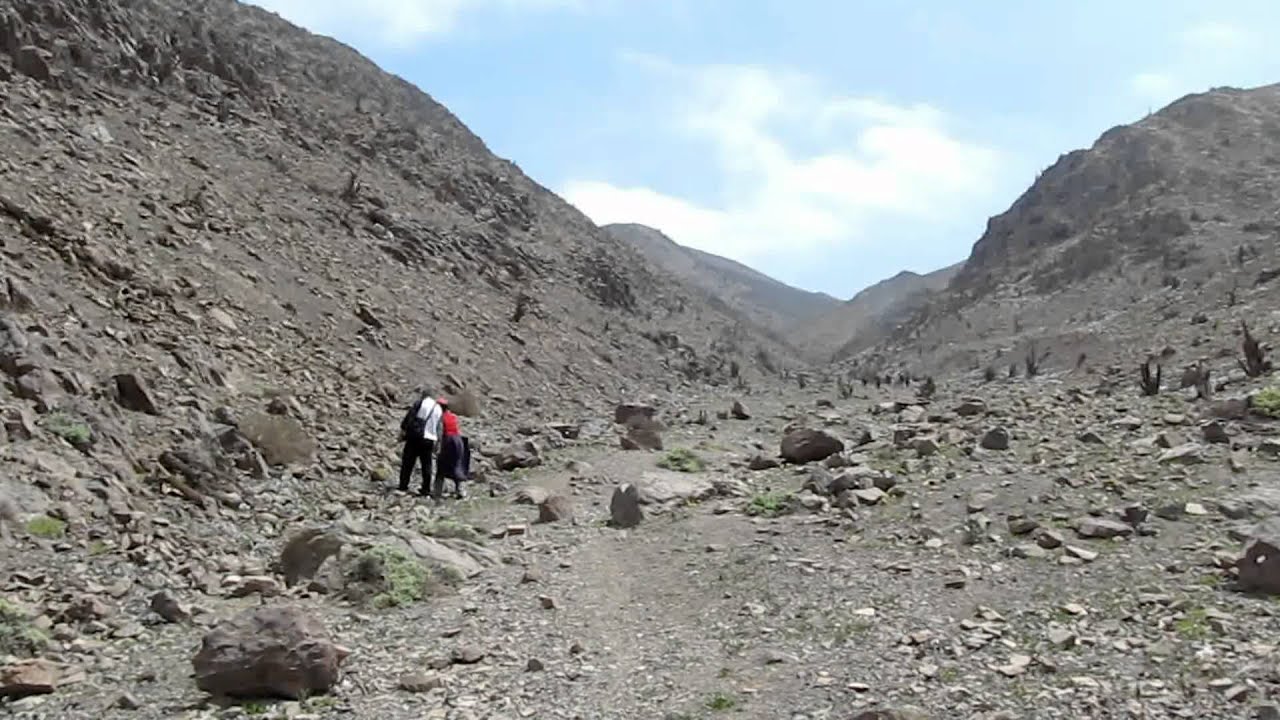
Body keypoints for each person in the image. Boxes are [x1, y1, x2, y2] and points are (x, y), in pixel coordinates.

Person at [398, 390, 443, 496]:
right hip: (430, 439)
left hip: (416, 437)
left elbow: (409, 417)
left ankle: (403, 485)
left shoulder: (420, 403)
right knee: (427, 464)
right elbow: (439, 427)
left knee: (408, 462)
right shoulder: (438, 408)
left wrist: (403, 431)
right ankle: (426, 489)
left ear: (424, 395)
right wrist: (438, 442)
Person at [433, 397, 469, 500]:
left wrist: (437, 447)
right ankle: (460, 489)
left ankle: (437, 492)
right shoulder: (452, 416)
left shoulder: (440, 417)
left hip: (448, 442)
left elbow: (440, 433)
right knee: (456, 465)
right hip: (458, 441)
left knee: (441, 467)